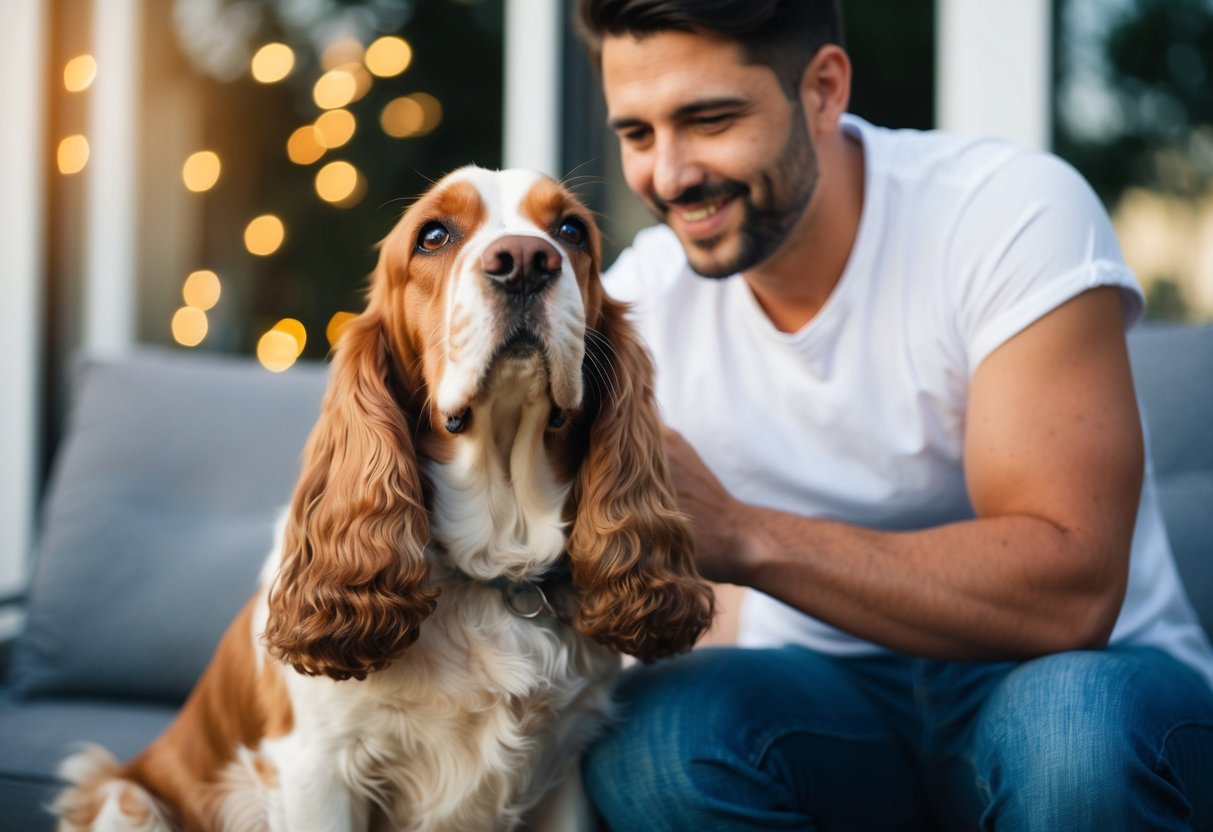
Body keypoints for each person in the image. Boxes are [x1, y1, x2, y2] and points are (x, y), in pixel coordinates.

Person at [573, 1, 1213, 829]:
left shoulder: (1005, 212)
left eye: (710, 119)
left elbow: (1069, 593)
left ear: (823, 89)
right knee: (655, 740)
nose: (669, 174)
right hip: (820, 711)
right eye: (636, 135)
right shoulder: (642, 305)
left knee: (1072, 736)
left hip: (1077, 676)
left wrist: (740, 535)